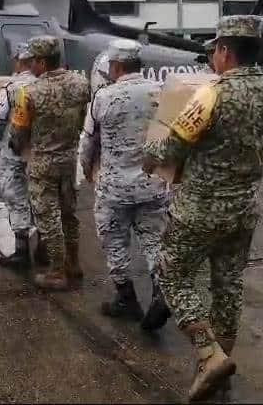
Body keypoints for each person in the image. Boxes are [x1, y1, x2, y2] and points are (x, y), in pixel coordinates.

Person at [143, 15, 263, 401]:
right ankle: (220, 371)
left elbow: (172, 149)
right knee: (228, 285)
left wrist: (147, 153)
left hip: (199, 209)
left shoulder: (211, 94)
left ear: (225, 50)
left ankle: (209, 355)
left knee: (172, 273)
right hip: (243, 208)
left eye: (215, 51)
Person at [78, 39, 169, 324]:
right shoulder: (160, 93)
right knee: (153, 240)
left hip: (114, 189)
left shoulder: (103, 98)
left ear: (115, 66)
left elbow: (87, 144)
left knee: (114, 241)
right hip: (153, 185)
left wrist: (87, 171)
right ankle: (161, 290)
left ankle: (126, 298)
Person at [8, 35, 91, 291]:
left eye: (32, 60)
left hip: (43, 163)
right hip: (69, 159)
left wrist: (17, 144)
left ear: (42, 61)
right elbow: (82, 120)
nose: (30, 65)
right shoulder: (81, 83)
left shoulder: (28, 92)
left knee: (48, 218)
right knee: (69, 214)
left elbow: (19, 131)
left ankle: (56, 270)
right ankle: (74, 264)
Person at [0, 43, 46, 269]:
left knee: (15, 196)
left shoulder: (10, 87)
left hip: (15, 153)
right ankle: (45, 246)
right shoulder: (47, 85)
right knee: (42, 197)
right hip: (42, 154)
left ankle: (21, 250)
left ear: (19, 61)